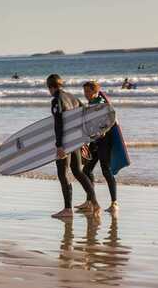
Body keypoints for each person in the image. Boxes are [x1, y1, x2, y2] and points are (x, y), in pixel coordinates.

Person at [46, 74, 99, 218]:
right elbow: (84, 115)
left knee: (63, 174)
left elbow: (59, 124)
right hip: (75, 141)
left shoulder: (57, 100)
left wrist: (59, 145)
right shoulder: (73, 98)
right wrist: (83, 140)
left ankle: (67, 209)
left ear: (51, 87)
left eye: (48, 88)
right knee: (77, 171)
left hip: (65, 142)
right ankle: (94, 203)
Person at [77, 81, 118, 213]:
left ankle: (114, 203)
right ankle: (90, 201)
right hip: (95, 141)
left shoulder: (101, 104)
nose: (86, 94)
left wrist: (103, 129)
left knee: (106, 170)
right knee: (86, 170)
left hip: (105, 141)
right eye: (84, 91)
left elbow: (112, 119)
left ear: (95, 92)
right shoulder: (91, 104)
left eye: (88, 91)